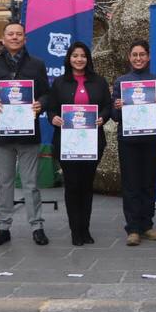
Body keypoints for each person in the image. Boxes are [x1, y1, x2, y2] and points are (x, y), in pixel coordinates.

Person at [0, 22, 51, 248]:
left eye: (19, 34)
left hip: (29, 134)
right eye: (11, 34)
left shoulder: (37, 65)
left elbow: (47, 94)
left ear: (25, 39)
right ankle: (4, 228)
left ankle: (37, 226)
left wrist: (41, 104)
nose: (15, 37)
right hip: (2, 134)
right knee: (5, 184)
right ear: (4, 38)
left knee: (31, 184)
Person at [46, 42, 112, 246]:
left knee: (86, 185)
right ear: (69, 58)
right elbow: (51, 109)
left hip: (92, 143)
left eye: (83, 55)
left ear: (88, 59)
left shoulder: (99, 82)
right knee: (72, 185)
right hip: (68, 143)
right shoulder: (59, 83)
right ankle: (76, 230)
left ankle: (86, 228)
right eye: (75, 55)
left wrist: (102, 117)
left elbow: (107, 106)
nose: (79, 59)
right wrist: (54, 118)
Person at [111, 40, 156, 246]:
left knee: (148, 183)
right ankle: (133, 228)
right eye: (135, 55)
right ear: (129, 57)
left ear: (149, 56)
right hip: (128, 140)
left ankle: (147, 225)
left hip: (152, 140)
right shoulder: (121, 82)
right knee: (130, 184)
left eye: (142, 54)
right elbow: (114, 116)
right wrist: (117, 107)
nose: (138, 58)